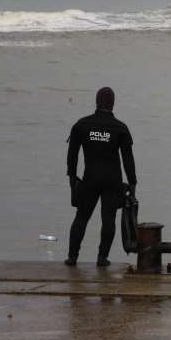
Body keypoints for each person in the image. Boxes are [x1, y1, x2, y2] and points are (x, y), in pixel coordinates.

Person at [65, 87, 137, 267]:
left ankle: (72, 257)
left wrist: (72, 179)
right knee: (109, 219)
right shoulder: (120, 128)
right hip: (112, 179)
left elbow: (72, 155)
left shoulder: (82, 125)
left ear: (96, 101)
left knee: (81, 217)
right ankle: (102, 258)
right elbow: (128, 159)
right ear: (113, 104)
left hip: (90, 178)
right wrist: (133, 183)